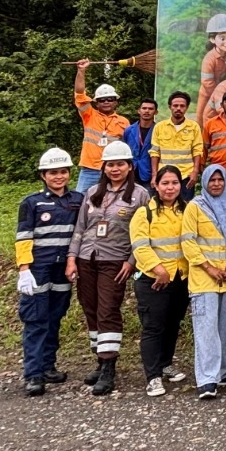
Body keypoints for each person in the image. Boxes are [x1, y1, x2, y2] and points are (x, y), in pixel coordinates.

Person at [66, 141, 147, 396]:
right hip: (86, 258)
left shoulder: (140, 195)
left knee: (108, 309)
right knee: (90, 308)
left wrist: (131, 261)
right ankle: (100, 360)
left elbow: (144, 233)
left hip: (115, 261)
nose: (115, 169)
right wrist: (72, 258)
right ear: (104, 167)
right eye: (110, 165)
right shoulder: (92, 192)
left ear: (130, 166)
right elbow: (80, 227)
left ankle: (110, 366)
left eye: (120, 164)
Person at [15, 148, 83, 396]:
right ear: (43, 175)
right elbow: (23, 237)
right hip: (38, 269)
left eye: (63, 171)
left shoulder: (78, 200)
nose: (59, 176)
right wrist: (24, 269)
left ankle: (47, 366)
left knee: (55, 316)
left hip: (62, 269)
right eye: (53, 172)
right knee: (36, 319)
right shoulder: (31, 203)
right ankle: (33, 374)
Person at [132, 166, 191, 398]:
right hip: (153, 280)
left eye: (174, 183)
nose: (170, 188)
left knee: (172, 323)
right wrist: (159, 270)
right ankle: (153, 376)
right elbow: (140, 246)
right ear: (156, 185)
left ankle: (166, 364)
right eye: (165, 183)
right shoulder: (144, 213)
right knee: (153, 327)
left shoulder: (187, 210)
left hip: (180, 278)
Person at [183, 164, 226, 399]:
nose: (216, 184)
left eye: (220, 179)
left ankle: (222, 373)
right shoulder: (196, 206)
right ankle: (207, 379)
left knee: (225, 328)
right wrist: (208, 267)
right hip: (204, 278)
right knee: (206, 329)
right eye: (212, 180)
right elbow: (188, 241)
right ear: (204, 182)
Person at [72, 60, 130, 194]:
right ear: (96, 103)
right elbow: (79, 94)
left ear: (116, 102)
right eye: (102, 100)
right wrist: (81, 71)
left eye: (110, 99)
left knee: (114, 200)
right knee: (81, 200)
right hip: (90, 169)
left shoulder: (124, 122)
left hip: (113, 169)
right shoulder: (89, 115)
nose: (106, 102)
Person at [151, 91, 205, 204]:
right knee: (163, 206)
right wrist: (155, 175)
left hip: (186, 176)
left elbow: (197, 150)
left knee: (185, 207)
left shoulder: (194, 127)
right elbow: (155, 152)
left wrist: (195, 171)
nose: (178, 108)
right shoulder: (159, 127)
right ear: (170, 107)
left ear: (187, 107)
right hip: (164, 175)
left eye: (182, 106)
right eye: (175, 105)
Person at [196, 13, 226, 125]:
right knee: (202, 120)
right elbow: (207, 82)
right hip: (207, 95)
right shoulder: (209, 59)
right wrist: (219, 94)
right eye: (223, 38)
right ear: (212, 39)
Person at [121, 98, 157, 184]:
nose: (147, 111)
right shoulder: (129, 130)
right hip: (130, 173)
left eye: (150, 109)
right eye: (144, 108)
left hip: (149, 174)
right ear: (139, 111)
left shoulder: (159, 130)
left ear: (156, 112)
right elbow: (124, 150)